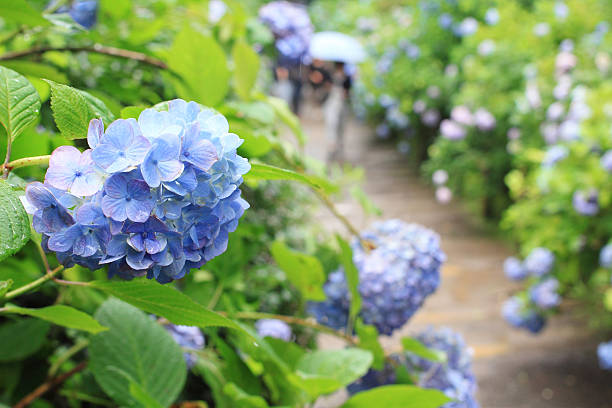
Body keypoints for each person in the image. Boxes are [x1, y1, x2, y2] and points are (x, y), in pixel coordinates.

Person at [323, 61, 352, 162]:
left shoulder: (347, 77)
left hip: (342, 105)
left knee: (341, 128)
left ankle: (339, 150)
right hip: (332, 104)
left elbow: (349, 91)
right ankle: (331, 146)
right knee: (331, 125)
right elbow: (325, 87)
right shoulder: (329, 75)